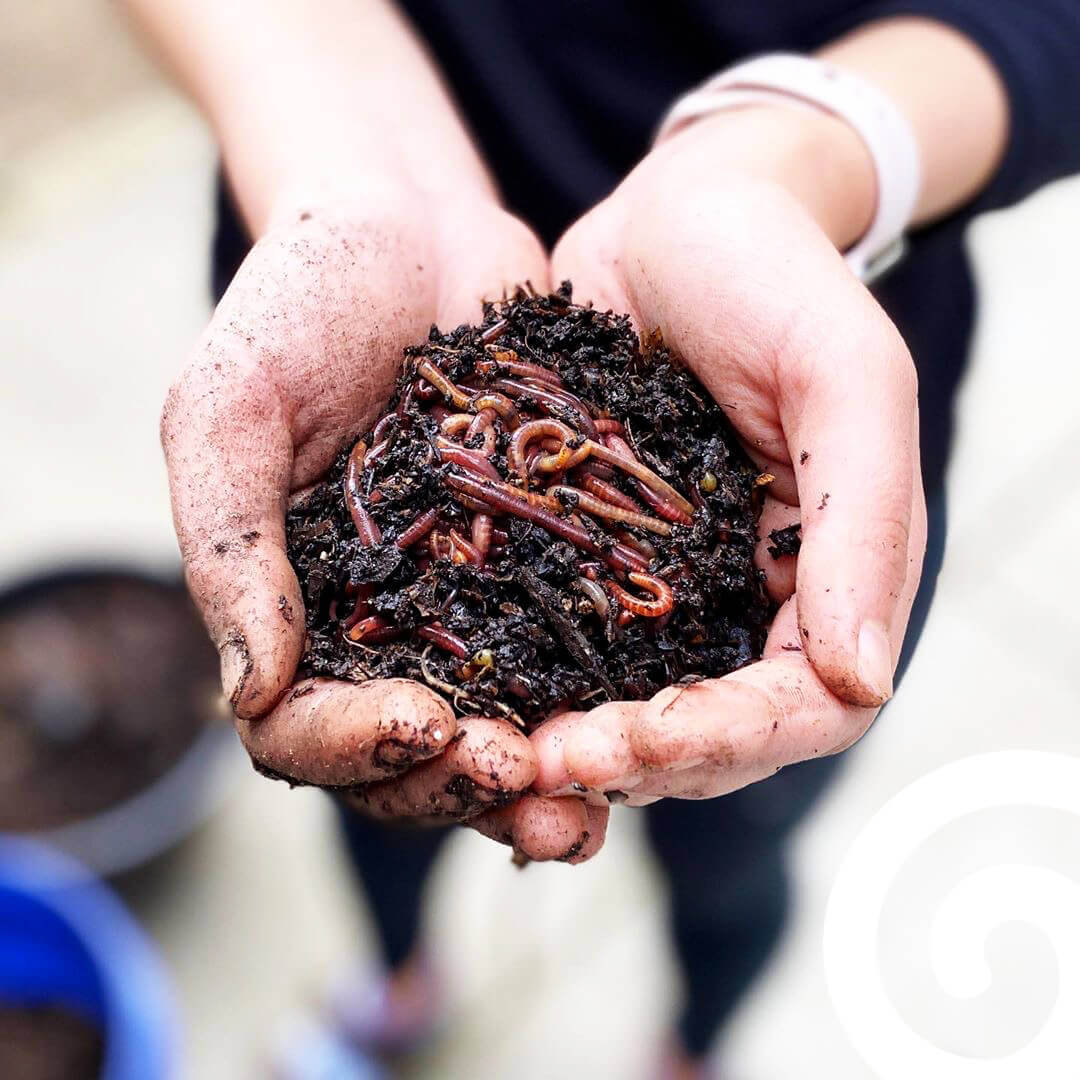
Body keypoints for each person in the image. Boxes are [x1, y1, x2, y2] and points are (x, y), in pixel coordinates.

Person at [125, 0, 1080, 1074]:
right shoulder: (429, 429)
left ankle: (694, 1043)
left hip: (792, 416)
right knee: (378, 774)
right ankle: (398, 978)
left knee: (731, 843)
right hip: (360, 254)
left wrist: (800, 152)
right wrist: (338, 148)